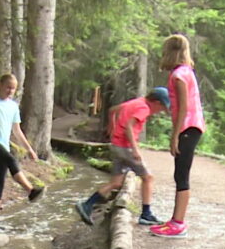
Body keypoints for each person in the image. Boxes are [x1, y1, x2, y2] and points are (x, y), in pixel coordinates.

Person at [75, 87, 170, 226]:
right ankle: (146, 214)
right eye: (161, 108)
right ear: (156, 102)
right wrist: (135, 149)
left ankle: (87, 205)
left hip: (116, 145)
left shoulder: (136, 102)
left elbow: (112, 110)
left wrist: (112, 126)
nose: (160, 111)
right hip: (126, 148)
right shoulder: (144, 108)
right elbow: (129, 127)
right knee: (148, 178)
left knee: (116, 183)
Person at [151, 34, 206, 238]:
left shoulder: (179, 76)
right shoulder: (185, 71)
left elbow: (183, 107)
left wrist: (174, 136)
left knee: (181, 174)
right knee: (179, 173)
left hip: (188, 127)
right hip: (190, 126)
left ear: (170, 52)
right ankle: (175, 220)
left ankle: (178, 223)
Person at [0, 73, 44, 231]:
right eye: (8, 87)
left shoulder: (13, 106)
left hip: (4, 145)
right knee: (12, 161)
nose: (10, 91)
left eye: (13, 89)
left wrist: (30, 150)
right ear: (0, 85)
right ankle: (30, 190)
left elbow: (17, 131)